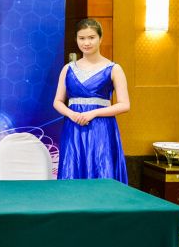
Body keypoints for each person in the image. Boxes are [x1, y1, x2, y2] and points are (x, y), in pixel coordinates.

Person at [53, 18, 130, 183]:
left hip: (102, 129)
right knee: (72, 170)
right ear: (76, 40)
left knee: (102, 170)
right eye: (82, 38)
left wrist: (93, 113)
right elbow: (57, 101)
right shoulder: (67, 69)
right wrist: (72, 114)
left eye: (91, 37)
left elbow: (125, 105)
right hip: (74, 127)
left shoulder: (114, 69)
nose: (86, 42)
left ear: (100, 39)